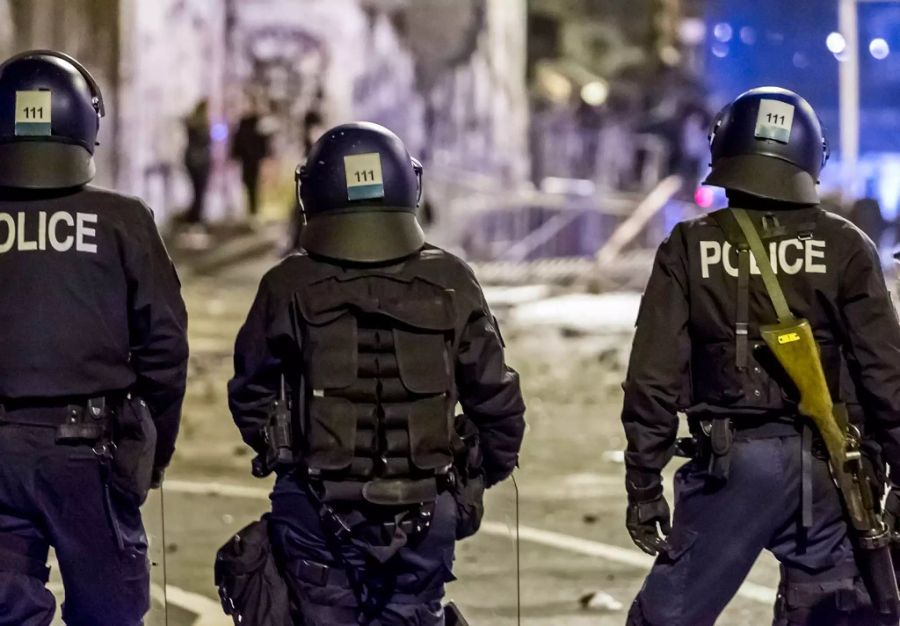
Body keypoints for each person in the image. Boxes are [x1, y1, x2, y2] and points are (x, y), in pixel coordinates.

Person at [621, 86, 900, 625]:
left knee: (665, 619)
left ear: (722, 149)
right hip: (830, 473)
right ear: (810, 156)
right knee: (830, 613)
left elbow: (652, 377)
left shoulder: (687, 246)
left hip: (730, 466)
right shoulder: (845, 247)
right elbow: (885, 374)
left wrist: (643, 483)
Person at [228, 122, 525, 625]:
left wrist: (282, 455)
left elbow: (250, 393)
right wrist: (476, 477)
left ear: (312, 190)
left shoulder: (287, 283)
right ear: (409, 185)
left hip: (315, 511)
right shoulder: (452, 279)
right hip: (427, 508)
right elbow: (498, 403)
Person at [0, 50, 189, 625]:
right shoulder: (123, 220)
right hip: (90, 451)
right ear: (87, 122)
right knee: (109, 612)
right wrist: (153, 448)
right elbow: (165, 348)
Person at [231, 98, 271, 219]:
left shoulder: (257, 123)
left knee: (253, 184)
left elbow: (263, 142)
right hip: (247, 159)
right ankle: (251, 210)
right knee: (248, 184)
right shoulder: (243, 124)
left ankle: (254, 210)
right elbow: (238, 141)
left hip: (253, 159)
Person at [183, 99, 212, 225]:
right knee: (199, 191)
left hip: (192, 160)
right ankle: (195, 218)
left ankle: (194, 216)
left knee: (197, 191)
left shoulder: (191, 123)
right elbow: (204, 142)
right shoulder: (201, 125)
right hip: (200, 161)